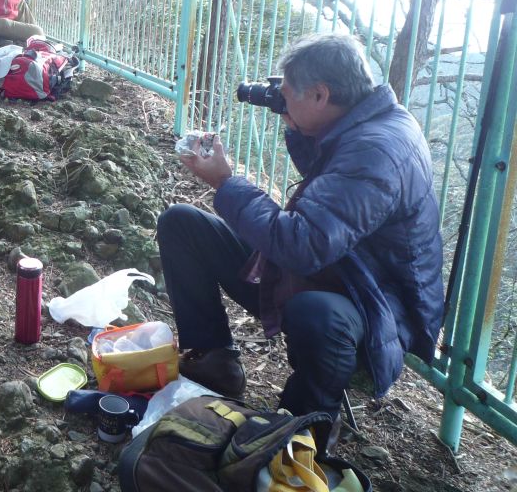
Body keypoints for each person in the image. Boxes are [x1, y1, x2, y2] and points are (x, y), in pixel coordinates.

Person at [157, 33, 444, 444]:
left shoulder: (379, 150)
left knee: (316, 313)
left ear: (321, 95)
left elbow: (302, 246)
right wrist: (294, 119)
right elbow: (333, 187)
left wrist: (225, 181)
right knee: (182, 224)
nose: (282, 99)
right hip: (337, 271)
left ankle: (305, 426)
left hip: (375, 310)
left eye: (289, 94)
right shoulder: (366, 121)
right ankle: (214, 360)